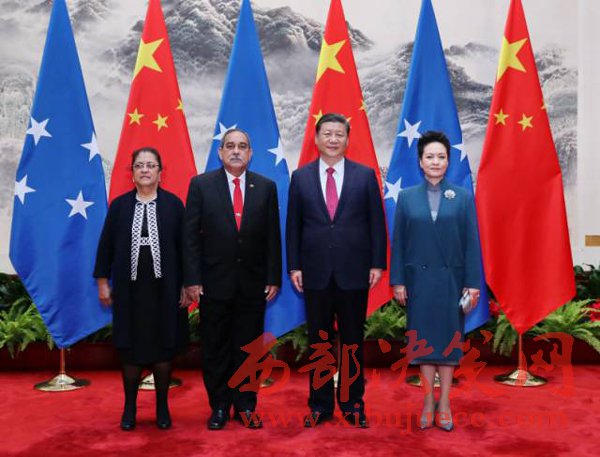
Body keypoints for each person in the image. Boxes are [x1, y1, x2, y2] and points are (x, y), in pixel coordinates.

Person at [286, 113, 387, 428]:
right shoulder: (300, 177)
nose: (333, 139)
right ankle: (320, 405)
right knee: (319, 340)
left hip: (354, 271)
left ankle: (353, 403)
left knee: (352, 340)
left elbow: (376, 222)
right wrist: (294, 265)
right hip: (314, 272)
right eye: (327, 133)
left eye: (339, 134)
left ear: (347, 139)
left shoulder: (365, 176)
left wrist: (377, 262)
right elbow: (293, 226)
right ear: (316, 139)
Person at [183, 129, 281, 430]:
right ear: (220, 152)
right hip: (213, 283)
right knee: (216, 348)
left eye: (242, 146)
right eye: (230, 146)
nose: (236, 151)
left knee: (249, 348)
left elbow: (272, 236)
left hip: (253, 284)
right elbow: (190, 237)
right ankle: (220, 406)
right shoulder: (201, 185)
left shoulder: (265, 187)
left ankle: (246, 406)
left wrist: (273, 276)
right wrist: (192, 279)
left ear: (250, 153)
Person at [390, 131, 481, 432]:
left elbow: (472, 244)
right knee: (424, 345)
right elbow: (399, 243)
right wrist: (398, 281)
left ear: (448, 161)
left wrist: (473, 284)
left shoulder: (463, 197)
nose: (435, 161)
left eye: (441, 156)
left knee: (448, 345)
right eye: (430, 156)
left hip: (451, 283)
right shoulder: (407, 197)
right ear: (420, 161)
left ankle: (444, 404)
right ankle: (428, 401)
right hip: (419, 284)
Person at [94, 147, 188, 431]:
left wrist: (187, 285)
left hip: (166, 291)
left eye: (150, 165)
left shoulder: (174, 205)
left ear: (160, 172)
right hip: (129, 293)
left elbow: (186, 249)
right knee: (131, 351)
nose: (145, 170)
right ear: (132, 173)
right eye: (139, 165)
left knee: (163, 350)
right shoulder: (119, 206)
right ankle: (130, 408)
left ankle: (162, 407)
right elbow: (105, 247)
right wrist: (102, 282)